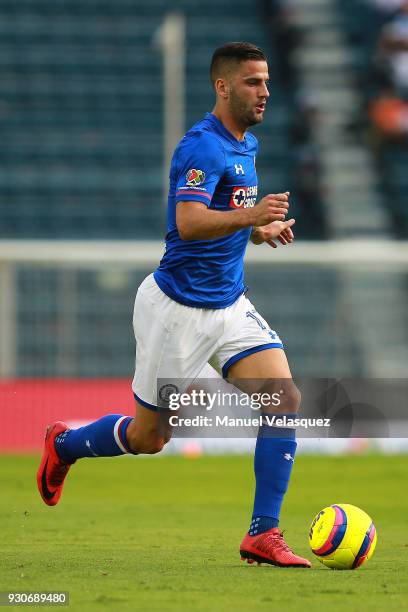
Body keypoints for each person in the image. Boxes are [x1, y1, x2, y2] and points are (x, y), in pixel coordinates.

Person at [37, 41, 311, 568]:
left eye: (268, 81)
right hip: (178, 310)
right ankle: (64, 444)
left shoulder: (245, 144)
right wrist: (252, 214)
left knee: (284, 399)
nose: (265, 92)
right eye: (254, 82)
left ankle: (263, 533)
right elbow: (188, 222)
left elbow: (225, 219)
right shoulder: (201, 147)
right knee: (149, 438)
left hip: (229, 305)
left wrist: (259, 230)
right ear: (223, 85)